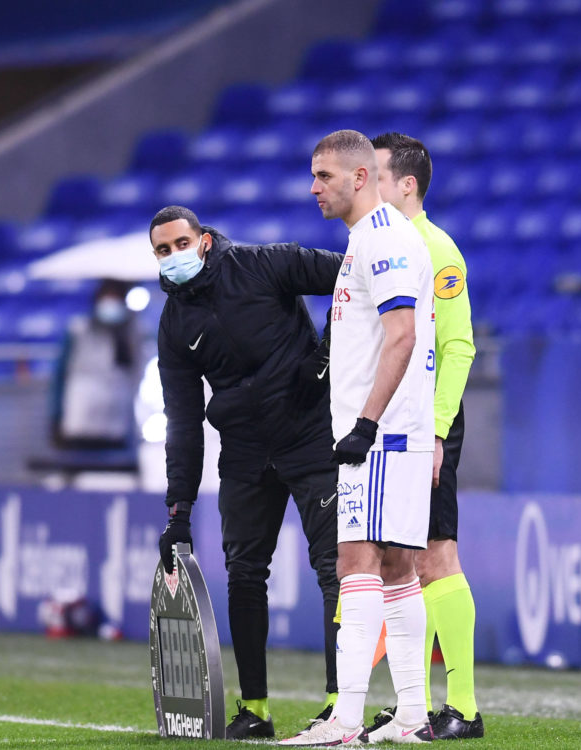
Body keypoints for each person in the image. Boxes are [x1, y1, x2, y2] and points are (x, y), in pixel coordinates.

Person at [151, 205, 344, 740]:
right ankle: (254, 709)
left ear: (205, 240)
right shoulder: (174, 326)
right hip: (242, 451)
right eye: (162, 251)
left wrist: (326, 355)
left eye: (180, 244)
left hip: (311, 435)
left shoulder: (265, 264)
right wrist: (179, 510)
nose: (173, 257)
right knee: (243, 574)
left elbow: (355, 274)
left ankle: (338, 705)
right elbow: (183, 424)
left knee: (334, 569)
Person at [280, 129, 436, 746]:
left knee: (355, 564)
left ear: (361, 176)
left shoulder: (384, 241)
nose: (314, 187)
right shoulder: (368, 242)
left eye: (324, 176)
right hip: (391, 431)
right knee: (397, 570)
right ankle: (414, 713)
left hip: (380, 435)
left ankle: (345, 718)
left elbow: (401, 336)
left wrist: (365, 424)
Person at [364, 131, 484, 739]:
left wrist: (438, 430)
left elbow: (458, 345)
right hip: (387, 419)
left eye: (377, 175)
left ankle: (462, 705)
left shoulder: (437, 249)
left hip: (425, 421)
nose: (368, 186)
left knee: (436, 555)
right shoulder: (381, 245)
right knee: (396, 560)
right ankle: (414, 702)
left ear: (406, 185)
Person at [50, 278, 141, 455]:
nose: (112, 302)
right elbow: (60, 375)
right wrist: (55, 417)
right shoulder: (78, 329)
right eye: (108, 296)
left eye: (117, 297)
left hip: (116, 425)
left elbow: (136, 373)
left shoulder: (134, 331)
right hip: (80, 422)